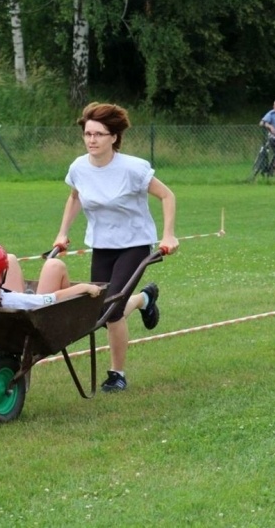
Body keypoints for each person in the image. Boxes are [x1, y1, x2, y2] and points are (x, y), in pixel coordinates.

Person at [53, 102, 179, 393]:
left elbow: (167, 196)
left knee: (112, 310)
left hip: (134, 244)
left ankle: (117, 374)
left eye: (99, 134)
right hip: (102, 245)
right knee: (101, 310)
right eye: (88, 134)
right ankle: (145, 299)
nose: (92, 140)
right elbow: (75, 197)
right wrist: (62, 233)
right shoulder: (79, 167)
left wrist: (168, 235)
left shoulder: (132, 168)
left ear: (113, 137)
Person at [0, 241, 102, 308]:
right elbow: (52, 299)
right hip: (33, 326)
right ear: (0, 277)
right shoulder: (14, 301)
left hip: (5, 322)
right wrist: (84, 287)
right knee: (54, 265)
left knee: (10, 258)